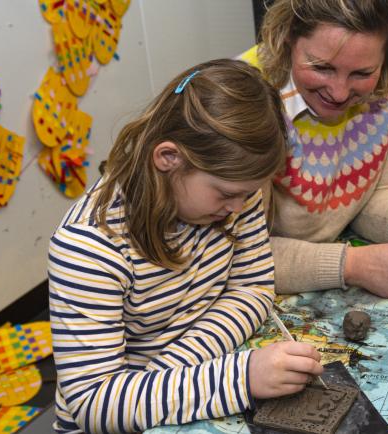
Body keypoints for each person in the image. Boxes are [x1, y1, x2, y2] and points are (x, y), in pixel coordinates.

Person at [48, 59, 324, 433]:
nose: (239, 209)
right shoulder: (89, 247)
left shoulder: (231, 193)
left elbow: (254, 289)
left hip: (179, 392)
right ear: (168, 158)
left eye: (248, 194)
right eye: (228, 195)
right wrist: (239, 379)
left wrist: (181, 364)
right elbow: (94, 403)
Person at [243, 0, 388, 298]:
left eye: (362, 73)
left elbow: (371, 194)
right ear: (287, 36)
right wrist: (352, 265)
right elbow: (239, 258)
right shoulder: (246, 104)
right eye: (321, 67)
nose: (339, 93)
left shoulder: (386, 84)